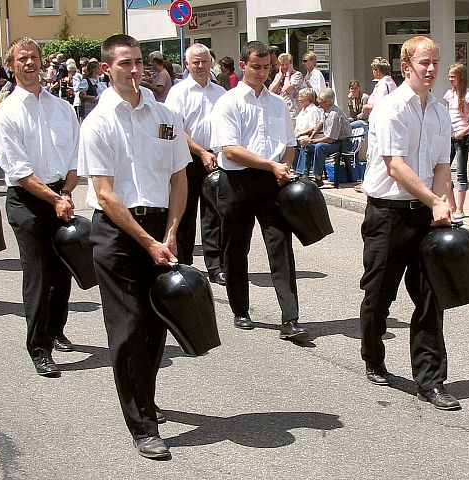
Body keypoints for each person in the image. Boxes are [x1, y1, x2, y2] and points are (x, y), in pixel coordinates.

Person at [77, 34, 189, 460]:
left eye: (139, 62)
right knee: (129, 328)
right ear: (107, 68)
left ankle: (145, 395)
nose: (134, 70)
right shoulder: (99, 122)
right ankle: (142, 425)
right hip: (119, 233)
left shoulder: (165, 116)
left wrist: (172, 233)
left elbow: (179, 177)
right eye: (124, 63)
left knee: (158, 323)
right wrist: (146, 241)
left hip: (162, 228)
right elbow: (104, 193)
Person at [359, 36, 460, 411]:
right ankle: (373, 354)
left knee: (431, 298)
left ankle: (431, 380)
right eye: (424, 63)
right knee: (379, 295)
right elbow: (395, 166)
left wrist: (442, 204)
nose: (431, 69)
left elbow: (442, 166)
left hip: (424, 215)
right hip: (387, 214)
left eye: (435, 62)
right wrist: (433, 199)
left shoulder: (438, 110)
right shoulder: (390, 108)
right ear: (406, 67)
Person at [0, 37, 80, 378]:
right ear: (11, 66)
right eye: (22, 59)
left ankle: (56, 330)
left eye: (34, 58)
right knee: (39, 276)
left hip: (61, 194)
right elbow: (20, 172)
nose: (29, 64)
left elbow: (74, 154)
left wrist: (67, 191)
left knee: (63, 271)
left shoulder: (61, 107)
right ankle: (39, 347)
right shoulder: (7, 115)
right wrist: (56, 198)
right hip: (29, 201)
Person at [210, 40, 308, 341]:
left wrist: (285, 167)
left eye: (267, 67)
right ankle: (240, 308)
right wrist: (271, 165)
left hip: (271, 182)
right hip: (237, 181)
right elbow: (230, 149)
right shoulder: (229, 102)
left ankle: (290, 317)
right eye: (256, 67)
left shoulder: (277, 103)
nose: (262, 73)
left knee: (280, 247)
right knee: (236, 248)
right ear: (243, 66)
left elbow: (289, 144)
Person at [165, 43, 226, 286]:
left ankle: (215, 265)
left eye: (204, 61)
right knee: (185, 212)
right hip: (187, 159)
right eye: (196, 62)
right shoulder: (178, 93)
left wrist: (215, 153)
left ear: (211, 62)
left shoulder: (220, 93)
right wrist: (201, 152)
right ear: (187, 64)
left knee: (214, 215)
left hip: (215, 158)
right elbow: (177, 130)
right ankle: (185, 262)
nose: (201, 66)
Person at [444, 63, 469, 220]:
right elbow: (445, 115)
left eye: (453, 75)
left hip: (461, 138)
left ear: (461, 77)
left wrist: (462, 133)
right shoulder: (448, 95)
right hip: (449, 137)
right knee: (443, 171)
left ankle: (460, 208)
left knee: (461, 173)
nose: (450, 78)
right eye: (449, 75)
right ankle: (452, 205)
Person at [299, 88, 352, 187]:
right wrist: (311, 137)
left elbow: (330, 138)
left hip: (342, 143)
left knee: (320, 147)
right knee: (307, 146)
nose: (317, 100)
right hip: (333, 141)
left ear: (326, 102)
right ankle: (304, 174)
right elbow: (321, 123)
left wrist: (311, 141)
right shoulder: (326, 110)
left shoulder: (334, 114)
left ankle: (317, 178)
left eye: (319, 99)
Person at [293, 88, 323, 175]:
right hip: (301, 136)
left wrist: (300, 134)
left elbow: (314, 128)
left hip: (313, 137)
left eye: (301, 97)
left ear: (308, 98)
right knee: (290, 143)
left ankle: (302, 172)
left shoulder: (314, 110)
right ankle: (295, 170)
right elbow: (297, 128)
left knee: (303, 143)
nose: (299, 99)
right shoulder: (302, 111)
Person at [268, 52, 304, 122]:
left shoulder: (297, 75)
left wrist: (288, 75)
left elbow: (287, 90)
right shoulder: (278, 76)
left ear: (291, 64)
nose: (284, 67)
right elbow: (271, 91)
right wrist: (280, 77)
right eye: (282, 65)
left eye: (287, 64)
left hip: (293, 111)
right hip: (279, 111)